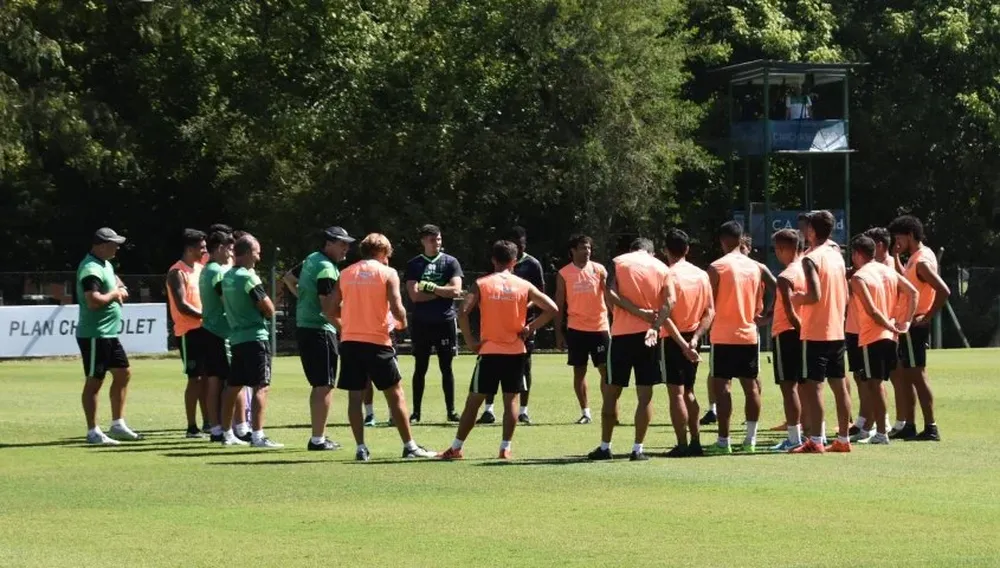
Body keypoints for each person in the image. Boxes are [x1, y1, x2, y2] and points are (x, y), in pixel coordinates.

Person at [439, 241, 558, 460]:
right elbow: (552, 308)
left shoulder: (482, 284)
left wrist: (470, 341)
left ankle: (456, 447)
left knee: (473, 401)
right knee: (510, 401)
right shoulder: (524, 285)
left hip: (489, 351)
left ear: (493, 260)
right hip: (516, 352)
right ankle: (505, 448)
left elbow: (462, 312)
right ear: (514, 261)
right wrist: (530, 327)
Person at [332, 233, 437, 461]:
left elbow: (330, 308)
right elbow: (397, 307)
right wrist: (403, 323)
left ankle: (360, 447)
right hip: (378, 341)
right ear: (383, 252)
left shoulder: (346, 273)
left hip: (350, 342)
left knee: (354, 397)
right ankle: (409, 446)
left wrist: (350, 320)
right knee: (395, 394)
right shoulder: (387, 273)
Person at [587, 238, 671, 462]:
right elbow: (669, 302)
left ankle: (605, 447)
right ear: (651, 252)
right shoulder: (662, 267)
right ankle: (637, 449)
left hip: (622, 335)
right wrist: (653, 325)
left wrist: (633, 311)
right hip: (649, 337)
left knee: (612, 392)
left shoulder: (619, 262)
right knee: (645, 395)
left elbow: (610, 293)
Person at [649, 229, 713, 457]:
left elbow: (665, 316)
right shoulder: (702, 275)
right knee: (689, 391)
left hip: (673, 340)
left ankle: (682, 444)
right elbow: (710, 311)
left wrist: (683, 344)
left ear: (666, 250)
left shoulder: (667, 275)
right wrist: (695, 340)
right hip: (693, 337)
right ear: (687, 249)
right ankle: (696, 441)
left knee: (676, 393)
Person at [791, 210, 851, 453]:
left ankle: (816, 440)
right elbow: (845, 294)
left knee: (814, 386)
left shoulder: (811, 258)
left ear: (812, 231)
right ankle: (843, 439)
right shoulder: (837, 255)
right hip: (837, 329)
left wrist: (797, 298)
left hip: (816, 331)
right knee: (839, 386)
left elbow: (814, 294)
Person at [849, 234, 918, 445]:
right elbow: (913, 292)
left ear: (857, 254)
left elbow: (871, 310)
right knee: (877, 383)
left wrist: (890, 325)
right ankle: (872, 429)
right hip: (891, 336)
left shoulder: (859, 277)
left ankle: (880, 433)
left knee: (874, 384)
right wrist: (904, 322)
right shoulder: (888, 271)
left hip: (872, 335)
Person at [290, 227, 354, 451]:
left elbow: (289, 278)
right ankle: (318, 439)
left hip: (305, 326)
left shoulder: (312, 259)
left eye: (347, 244)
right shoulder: (327, 268)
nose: (346, 248)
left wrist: (304, 300)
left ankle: (318, 436)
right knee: (324, 385)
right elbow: (328, 309)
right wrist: (347, 331)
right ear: (329, 244)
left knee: (319, 384)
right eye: (342, 244)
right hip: (319, 330)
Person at [703, 222, 765, 454]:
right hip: (748, 334)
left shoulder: (717, 267)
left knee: (723, 388)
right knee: (751, 388)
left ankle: (723, 441)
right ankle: (750, 440)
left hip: (722, 335)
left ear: (722, 241)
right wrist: (765, 315)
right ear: (741, 240)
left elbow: (708, 303)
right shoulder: (756, 267)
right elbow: (771, 292)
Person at [77, 228, 142, 445]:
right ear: (101, 244)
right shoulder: (90, 269)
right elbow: (93, 300)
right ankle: (93, 431)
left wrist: (119, 288)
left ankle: (117, 424)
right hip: (95, 334)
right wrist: (115, 294)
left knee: (123, 374)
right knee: (95, 381)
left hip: (109, 333)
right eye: (114, 244)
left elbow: (116, 281)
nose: (117, 248)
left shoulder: (105, 264)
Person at [887, 215, 949, 441]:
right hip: (906, 325)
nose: (897, 242)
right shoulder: (916, 257)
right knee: (905, 375)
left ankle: (931, 427)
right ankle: (910, 425)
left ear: (910, 235)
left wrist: (926, 316)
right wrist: (894, 255)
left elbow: (943, 290)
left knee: (917, 375)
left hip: (915, 326)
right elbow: (905, 278)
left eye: (898, 237)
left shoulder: (922, 261)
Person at [219, 234, 282, 448]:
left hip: (236, 338)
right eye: (256, 251)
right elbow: (269, 308)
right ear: (246, 253)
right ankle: (258, 436)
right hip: (255, 337)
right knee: (261, 386)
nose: (259, 255)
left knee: (233, 386)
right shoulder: (248, 277)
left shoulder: (227, 277)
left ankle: (227, 434)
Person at [478, 226, 544, 425]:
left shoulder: (533, 264)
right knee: (492, 364)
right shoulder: (500, 259)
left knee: (525, 365)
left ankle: (523, 410)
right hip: (497, 321)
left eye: (523, 244)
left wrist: (523, 302)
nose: (521, 247)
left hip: (523, 322)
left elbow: (540, 293)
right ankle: (488, 409)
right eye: (518, 244)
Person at [404, 224, 465, 423]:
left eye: (438, 239)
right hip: (422, 323)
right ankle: (416, 413)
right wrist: (442, 291)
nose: (436, 243)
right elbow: (415, 296)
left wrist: (431, 287)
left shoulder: (451, 262)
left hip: (445, 321)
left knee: (446, 367)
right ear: (423, 241)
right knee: (420, 367)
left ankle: (451, 411)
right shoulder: (414, 264)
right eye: (432, 239)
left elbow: (456, 291)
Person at [554, 235, 610, 424]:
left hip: (600, 327)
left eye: (588, 248)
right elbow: (559, 305)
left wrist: (617, 319)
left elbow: (610, 297)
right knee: (580, 371)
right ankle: (586, 412)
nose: (586, 251)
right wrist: (559, 333)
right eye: (582, 248)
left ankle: (609, 409)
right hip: (576, 329)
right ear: (573, 251)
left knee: (605, 370)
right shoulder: (564, 273)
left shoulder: (599, 270)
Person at [198, 230, 243, 442]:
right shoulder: (216, 272)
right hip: (219, 332)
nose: (231, 253)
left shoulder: (207, 270)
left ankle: (216, 428)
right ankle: (227, 430)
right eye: (230, 248)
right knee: (228, 382)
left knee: (214, 381)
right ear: (220, 249)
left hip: (209, 329)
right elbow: (227, 299)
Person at [166, 229, 210, 438]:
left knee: (208, 377)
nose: (205, 250)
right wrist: (206, 316)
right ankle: (192, 426)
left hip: (205, 329)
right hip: (188, 331)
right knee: (195, 378)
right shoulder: (177, 272)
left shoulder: (201, 269)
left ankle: (209, 422)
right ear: (190, 248)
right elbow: (182, 305)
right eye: (201, 247)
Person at [770, 229, 807, 450]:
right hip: (806, 332)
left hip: (787, 333)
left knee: (788, 387)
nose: (777, 254)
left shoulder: (786, 276)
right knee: (805, 386)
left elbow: (790, 312)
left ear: (786, 249)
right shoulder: (809, 269)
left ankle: (794, 438)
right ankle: (809, 433)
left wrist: (800, 331)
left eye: (777, 249)